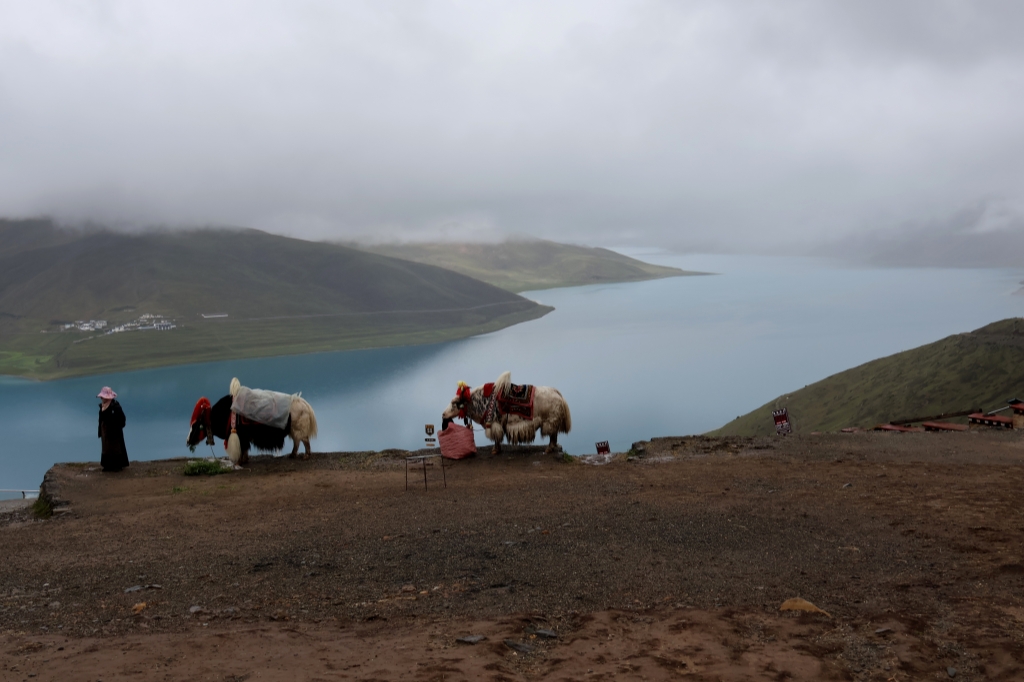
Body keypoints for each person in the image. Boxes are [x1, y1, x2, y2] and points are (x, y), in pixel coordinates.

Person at [97, 386, 129, 472]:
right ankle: (107, 465)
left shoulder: (115, 407)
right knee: (106, 448)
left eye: (103, 397)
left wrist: (116, 428)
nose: (101, 398)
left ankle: (117, 465)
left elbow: (122, 419)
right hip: (105, 432)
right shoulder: (102, 407)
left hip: (114, 432)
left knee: (115, 448)